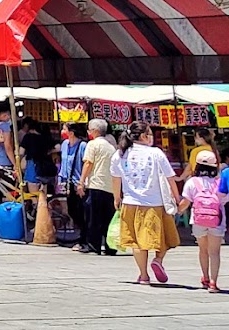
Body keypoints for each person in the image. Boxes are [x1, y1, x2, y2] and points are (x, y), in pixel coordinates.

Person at [112, 119, 180, 285]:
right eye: (150, 134)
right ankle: (158, 260)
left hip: (130, 203)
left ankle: (143, 275)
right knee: (164, 237)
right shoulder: (155, 153)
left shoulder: (120, 154)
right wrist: (177, 198)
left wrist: (116, 198)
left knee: (136, 242)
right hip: (155, 204)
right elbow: (171, 178)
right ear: (143, 136)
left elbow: (116, 180)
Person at [178, 149, 226, 292]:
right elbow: (225, 199)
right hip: (217, 220)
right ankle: (213, 282)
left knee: (203, 250)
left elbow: (185, 202)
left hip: (198, 220)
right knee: (214, 252)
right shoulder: (220, 182)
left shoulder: (192, 182)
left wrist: (177, 210)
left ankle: (205, 277)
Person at [79, 118, 118, 255]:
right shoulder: (111, 146)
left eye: (89, 129)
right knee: (108, 218)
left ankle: (93, 245)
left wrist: (81, 181)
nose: (88, 132)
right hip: (109, 186)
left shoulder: (93, 144)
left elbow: (88, 163)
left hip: (96, 184)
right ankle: (110, 247)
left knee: (94, 218)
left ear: (95, 131)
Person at [58, 123, 88, 247]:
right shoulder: (64, 145)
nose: (62, 131)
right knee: (71, 210)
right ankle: (81, 235)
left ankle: (84, 238)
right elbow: (63, 162)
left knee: (81, 212)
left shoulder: (83, 146)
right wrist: (60, 178)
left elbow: (87, 164)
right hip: (68, 183)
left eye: (65, 129)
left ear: (71, 132)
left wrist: (82, 182)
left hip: (79, 183)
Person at [18, 119, 57, 192]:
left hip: (33, 166)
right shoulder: (46, 138)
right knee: (43, 196)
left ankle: (35, 203)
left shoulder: (28, 137)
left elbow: (21, 152)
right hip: (46, 168)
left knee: (34, 195)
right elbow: (58, 147)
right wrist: (50, 152)